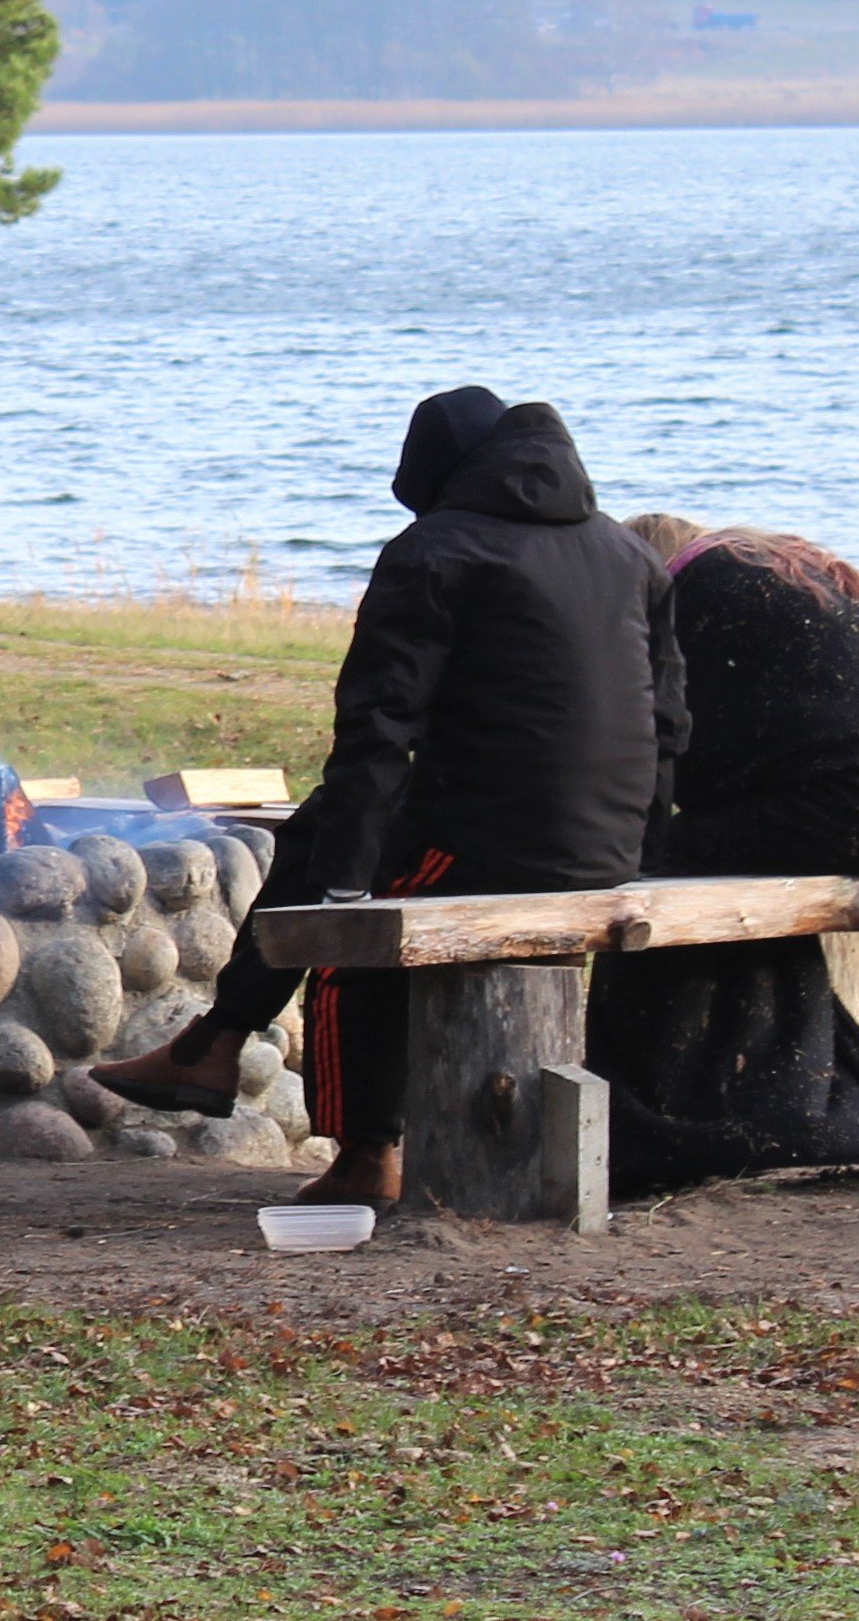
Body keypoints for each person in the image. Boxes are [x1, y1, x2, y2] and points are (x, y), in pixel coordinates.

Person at [86, 386, 682, 1202]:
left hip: (488, 839)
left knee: (343, 941)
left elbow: (376, 729)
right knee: (327, 829)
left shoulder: (437, 550)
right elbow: (668, 721)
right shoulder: (630, 554)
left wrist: (344, 887)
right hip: (608, 843)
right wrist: (641, 850)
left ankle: (363, 1154)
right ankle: (213, 1044)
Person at [587, 516, 859, 1193]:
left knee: (639, 868)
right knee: (699, 853)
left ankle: (679, 1113)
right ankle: (784, 1087)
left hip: (856, 810)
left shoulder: (694, 595)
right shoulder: (777, 573)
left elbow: (666, 738)